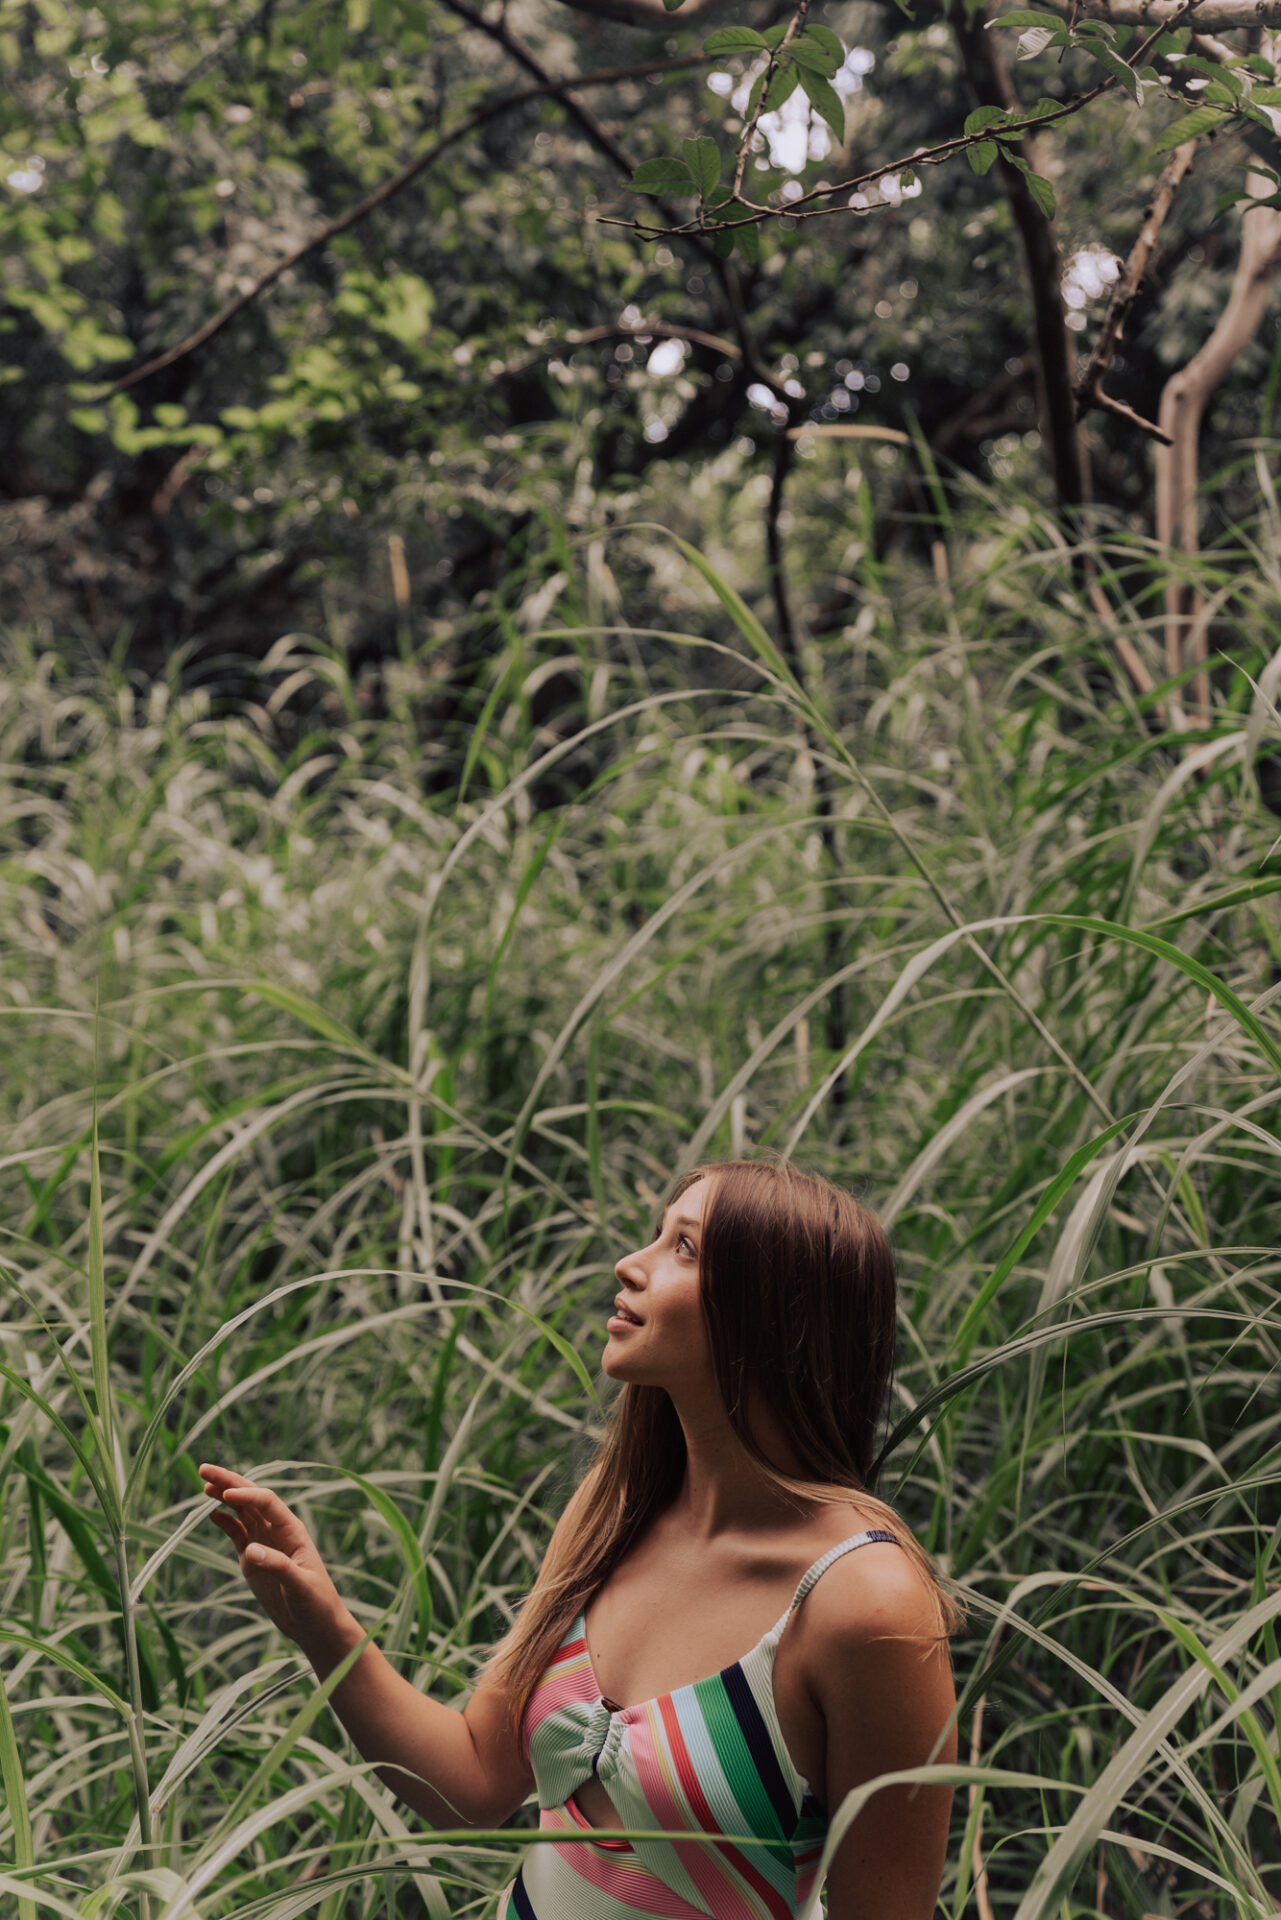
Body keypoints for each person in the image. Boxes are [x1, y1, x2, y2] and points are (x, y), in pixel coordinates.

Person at [201, 1156, 962, 1919]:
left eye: (684, 1248)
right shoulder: (614, 1509)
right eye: (656, 1236)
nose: (629, 1265)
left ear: (774, 1311)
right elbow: (469, 1784)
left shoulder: (863, 1605)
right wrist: (321, 1624)